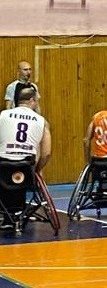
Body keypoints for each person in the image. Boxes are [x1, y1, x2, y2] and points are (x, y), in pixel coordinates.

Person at [0, 88, 51, 227]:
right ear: (32, 100)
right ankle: (18, 212)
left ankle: (7, 214)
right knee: (21, 177)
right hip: (26, 166)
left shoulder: (3, 115)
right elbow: (46, 152)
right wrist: (37, 169)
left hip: (3, 164)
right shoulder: (41, 121)